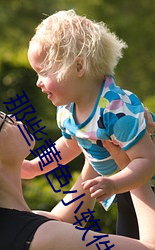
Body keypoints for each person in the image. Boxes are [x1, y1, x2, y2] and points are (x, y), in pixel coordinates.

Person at [0, 98, 155, 250]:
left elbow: (62, 219)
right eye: (3, 120)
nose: (14, 118)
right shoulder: (43, 238)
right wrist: (131, 165)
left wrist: (95, 138)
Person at [25, 9, 155, 239]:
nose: (38, 82)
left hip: (145, 186)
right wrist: (35, 167)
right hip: (125, 190)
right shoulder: (67, 109)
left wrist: (114, 184)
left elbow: (147, 160)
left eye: (43, 72)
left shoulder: (116, 109)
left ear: (78, 67)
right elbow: (70, 144)